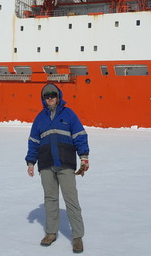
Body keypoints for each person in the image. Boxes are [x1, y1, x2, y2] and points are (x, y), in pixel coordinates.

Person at [25, 83, 90, 254]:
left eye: (53, 95)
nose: (50, 98)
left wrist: (84, 157)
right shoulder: (40, 118)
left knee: (71, 200)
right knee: (50, 199)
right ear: (43, 99)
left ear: (58, 96)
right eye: (47, 96)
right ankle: (51, 233)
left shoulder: (69, 114)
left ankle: (77, 237)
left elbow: (80, 135)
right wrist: (31, 162)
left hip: (65, 163)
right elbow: (33, 142)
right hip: (45, 164)